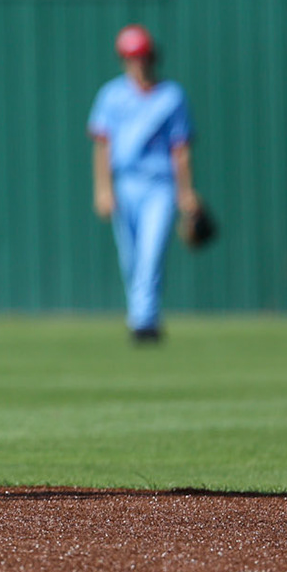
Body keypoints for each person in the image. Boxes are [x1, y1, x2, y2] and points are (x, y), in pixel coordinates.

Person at [87, 25, 199, 344]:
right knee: (131, 258)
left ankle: (144, 322)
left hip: (160, 184)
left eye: (142, 56)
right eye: (130, 57)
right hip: (126, 183)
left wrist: (186, 192)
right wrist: (103, 189)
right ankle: (141, 315)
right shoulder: (112, 95)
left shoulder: (171, 96)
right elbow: (102, 144)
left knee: (151, 253)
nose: (137, 63)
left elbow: (180, 148)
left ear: (152, 57)